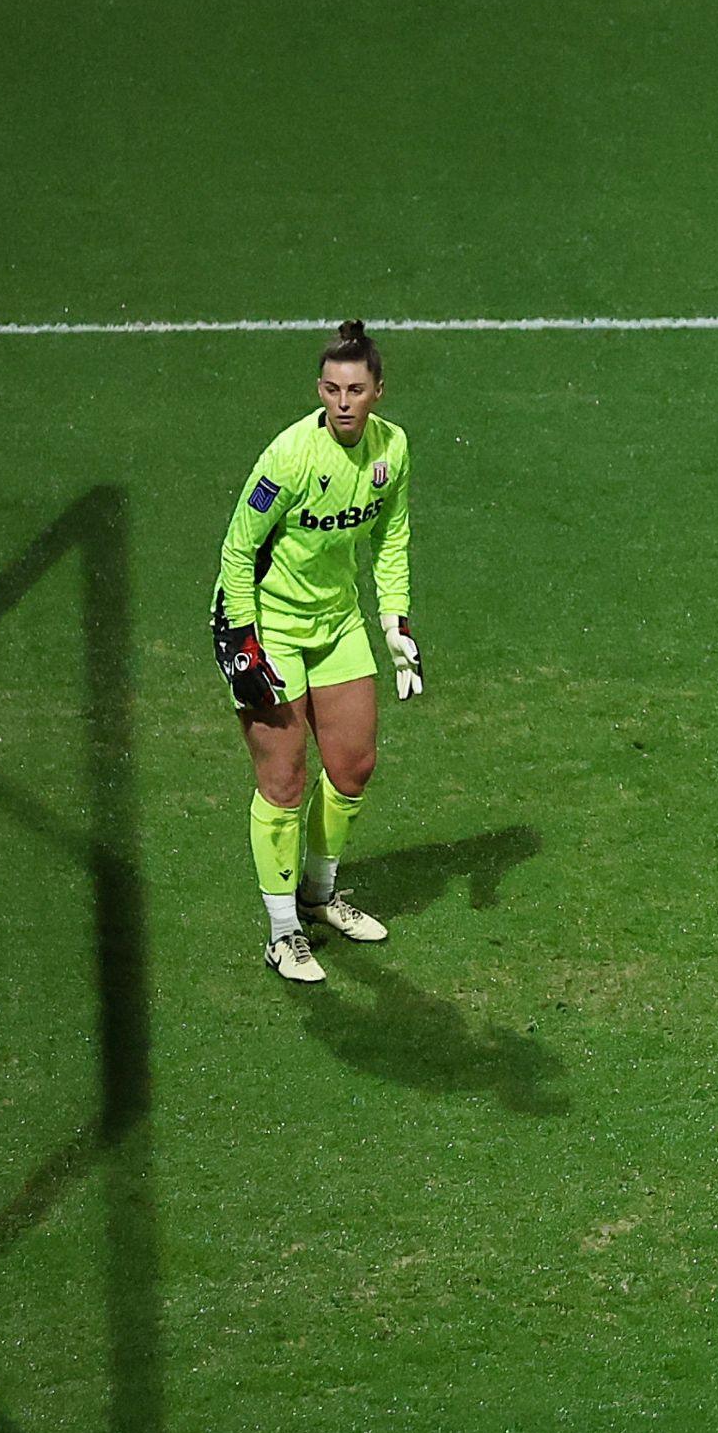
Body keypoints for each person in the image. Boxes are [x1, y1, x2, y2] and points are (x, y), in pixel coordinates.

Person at [214, 323, 425, 984]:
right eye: (331, 389)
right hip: (269, 626)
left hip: (337, 623)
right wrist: (244, 641)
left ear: (377, 392)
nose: (342, 401)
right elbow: (238, 549)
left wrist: (394, 619)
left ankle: (319, 893)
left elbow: (392, 535)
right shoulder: (289, 457)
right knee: (284, 782)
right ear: (320, 390)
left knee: (354, 765)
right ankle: (283, 933)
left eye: (355, 390)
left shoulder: (393, 450)